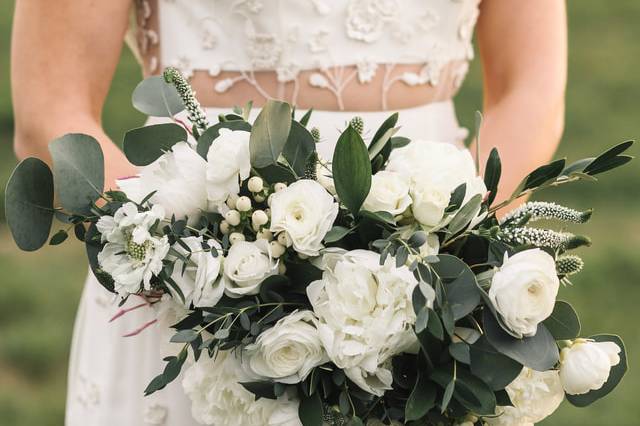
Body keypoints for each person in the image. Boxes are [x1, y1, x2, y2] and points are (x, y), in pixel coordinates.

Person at [10, 1, 567, 424]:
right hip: (197, 297)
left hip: (428, 292)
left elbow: (530, 88)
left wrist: (458, 248)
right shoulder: (199, 278)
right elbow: (51, 109)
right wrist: (197, 262)